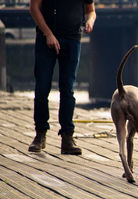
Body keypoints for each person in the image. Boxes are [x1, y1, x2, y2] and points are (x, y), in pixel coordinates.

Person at [28, 0, 96, 155]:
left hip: (72, 39)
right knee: (42, 88)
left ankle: (67, 137)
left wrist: (90, 21)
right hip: (46, 39)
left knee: (67, 89)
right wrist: (48, 34)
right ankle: (40, 134)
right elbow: (34, 8)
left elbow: (90, 10)